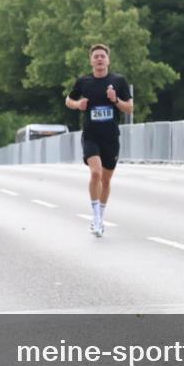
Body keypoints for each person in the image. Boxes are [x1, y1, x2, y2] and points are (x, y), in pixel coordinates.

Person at [65, 43, 133, 237]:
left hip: (111, 137)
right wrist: (78, 104)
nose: (99, 59)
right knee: (95, 173)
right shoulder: (84, 82)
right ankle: (95, 218)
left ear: (108, 60)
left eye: (102, 56)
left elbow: (129, 108)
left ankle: (100, 215)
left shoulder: (119, 81)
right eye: (96, 56)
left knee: (106, 178)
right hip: (91, 135)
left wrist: (115, 100)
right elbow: (68, 100)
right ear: (91, 61)